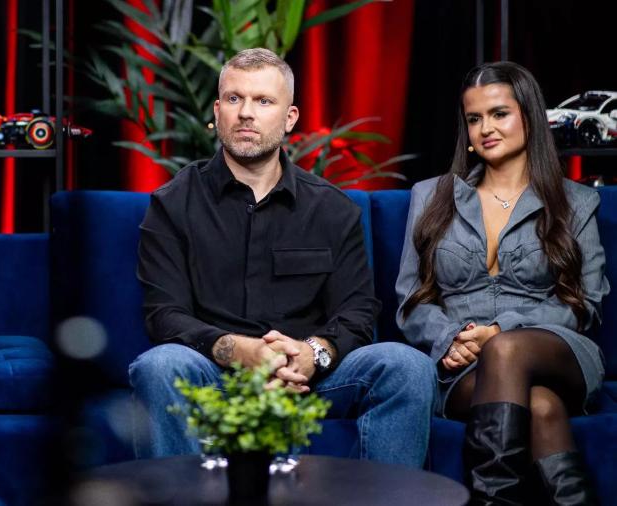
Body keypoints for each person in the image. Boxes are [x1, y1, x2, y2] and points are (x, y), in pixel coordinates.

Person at [129, 48, 436, 468]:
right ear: (217, 111)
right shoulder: (173, 204)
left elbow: (357, 313)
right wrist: (241, 351)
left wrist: (311, 355)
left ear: (290, 117)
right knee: (159, 365)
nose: (246, 113)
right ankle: (180, 497)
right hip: (215, 376)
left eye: (263, 101)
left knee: (407, 366)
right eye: (234, 99)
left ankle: (382, 497)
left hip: (308, 381)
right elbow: (164, 315)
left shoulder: (333, 209)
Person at [396, 61, 607, 505]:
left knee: (506, 347)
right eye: (474, 118)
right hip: (463, 366)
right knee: (542, 407)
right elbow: (410, 300)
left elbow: (584, 305)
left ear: (528, 116)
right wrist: (451, 338)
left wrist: (498, 331)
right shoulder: (430, 196)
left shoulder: (576, 202)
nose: (486, 128)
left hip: (555, 350)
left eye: (499, 114)